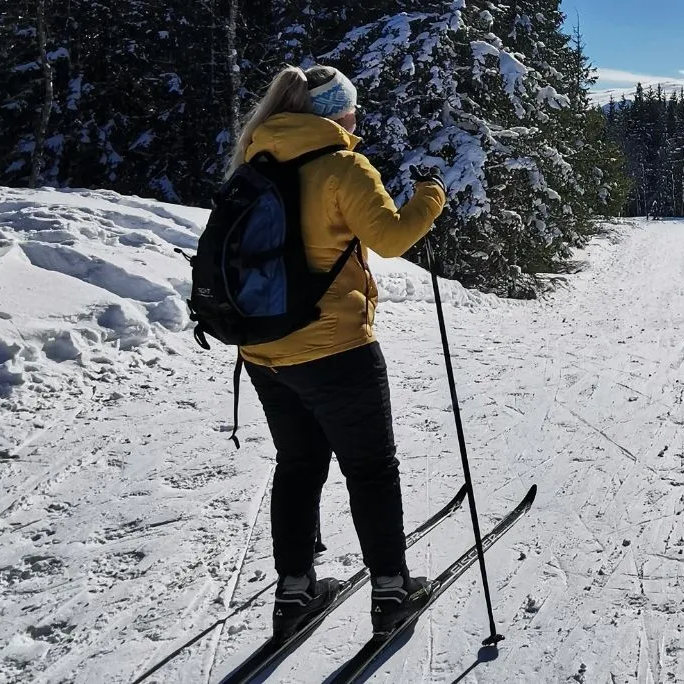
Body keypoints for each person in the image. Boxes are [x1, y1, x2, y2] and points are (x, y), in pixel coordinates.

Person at [228, 65, 447, 637]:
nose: (356, 117)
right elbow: (393, 239)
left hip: (264, 350)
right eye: (350, 108)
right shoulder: (341, 165)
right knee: (371, 468)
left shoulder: (255, 164)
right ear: (334, 111)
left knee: (298, 464)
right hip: (336, 348)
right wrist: (430, 196)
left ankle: (295, 593)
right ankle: (392, 590)